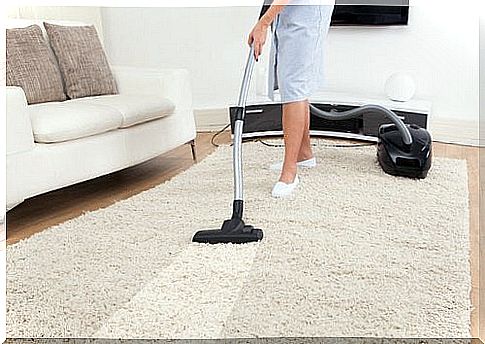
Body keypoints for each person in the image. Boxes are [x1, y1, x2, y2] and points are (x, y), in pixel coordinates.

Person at [248, 0, 334, 198]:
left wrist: (263, 23)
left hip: (307, 11)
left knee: (294, 87)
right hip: (296, 10)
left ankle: (289, 172)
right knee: (295, 86)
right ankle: (304, 155)